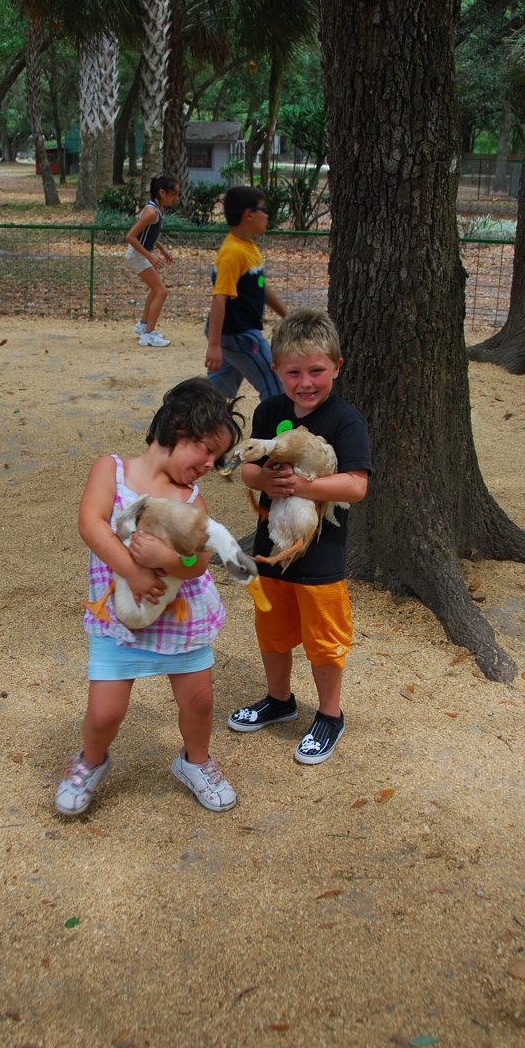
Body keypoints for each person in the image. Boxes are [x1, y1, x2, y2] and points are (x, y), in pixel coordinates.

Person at [55, 378, 245, 816]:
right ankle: (90, 761)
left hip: (181, 623)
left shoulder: (191, 499)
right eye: (207, 450)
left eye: (217, 458)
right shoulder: (112, 469)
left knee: (199, 702)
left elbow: (197, 564)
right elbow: (91, 523)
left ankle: (195, 762)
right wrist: (134, 572)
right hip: (120, 621)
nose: (212, 465)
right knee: (105, 714)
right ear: (178, 428)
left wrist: (169, 559)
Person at [227, 307, 372, 765]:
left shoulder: (345, 421)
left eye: (316, 371)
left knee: (323, 639)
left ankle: (329, 714)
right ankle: (279, 700)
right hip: (272, 549)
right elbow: (250, 467)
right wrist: (264, 481)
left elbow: (356, 485)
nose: (305, 382)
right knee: (272, 631)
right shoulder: (269, 412)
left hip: (321, 557)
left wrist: (304, 487)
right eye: (293, 372)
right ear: (276, 371)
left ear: (337, 368)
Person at [204, 185, 287, 400]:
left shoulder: (247, 246)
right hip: (239, 336)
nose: (267, 214)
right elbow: (219, 299)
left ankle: (202, 428)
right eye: (263, 209)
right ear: (249, 214)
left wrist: (288, 316)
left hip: (232, 336)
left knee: (215, 396)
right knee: (276, 386)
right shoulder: (233, 253)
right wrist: (213, 345)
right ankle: (279, 432)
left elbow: (260, 286)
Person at [126, 175, 180, 348]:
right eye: (173, 194)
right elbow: (130, 236)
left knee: (156, 289)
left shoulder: (157, 209)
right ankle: (148, 334)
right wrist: (149, 255)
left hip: (141, 253)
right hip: (137, 254)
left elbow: (148, 235)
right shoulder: (151, 212)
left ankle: (143, 325)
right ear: (162, 192)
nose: (176, 198)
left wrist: (162, 249)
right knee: (161, 291)